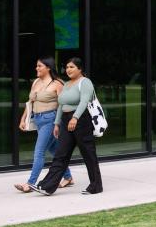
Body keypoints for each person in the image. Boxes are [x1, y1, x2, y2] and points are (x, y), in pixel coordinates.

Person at [30, 58, 102, 195]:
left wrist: (75, 117)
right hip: (65, 120)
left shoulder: (85, 82)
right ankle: (47, 186)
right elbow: (61, 105)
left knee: (88, 154)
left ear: (80, 69)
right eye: (67, 67)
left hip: (81, 120)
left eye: (72, 67)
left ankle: (96, 186)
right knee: (60, 154)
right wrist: (57, 123)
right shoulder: (67, 84)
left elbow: (84, 102)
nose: (68, 70)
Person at [13, 57, 73, 193]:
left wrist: (58, 124)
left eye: (39, 66)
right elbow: (30, 102)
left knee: (39, 152)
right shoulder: (36, 82)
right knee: (54, 150)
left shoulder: (57, 84)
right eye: (36, 66)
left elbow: (63, 105)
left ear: (48, 68)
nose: (37, 68)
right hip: (38, 120)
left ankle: (30, 183)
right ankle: (68, 177)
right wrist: (23, 119)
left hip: (50, 120)